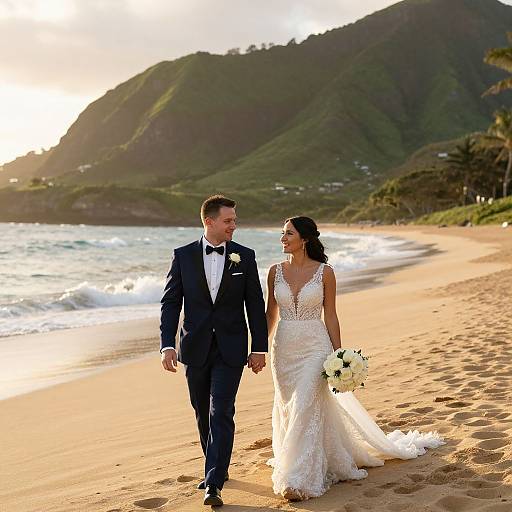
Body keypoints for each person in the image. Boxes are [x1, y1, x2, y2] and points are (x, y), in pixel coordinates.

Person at [265, 216, 444, 501]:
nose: (283, 238)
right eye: (282, 232)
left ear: (305, 239)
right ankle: (300, 456)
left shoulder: (325, 272)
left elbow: (331, 315)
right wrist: (259, 348)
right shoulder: (275, 271)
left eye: (288, 233)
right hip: (283, 349)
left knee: (304, 403)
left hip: (315, 346)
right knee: (289, 405)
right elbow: (270, 314)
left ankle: (298, 477)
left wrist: (340, 355)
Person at [160, 195, 268, 507]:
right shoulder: (182, 256)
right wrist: (168, 344)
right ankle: (216, 464)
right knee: (200, 411)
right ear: (210, 221)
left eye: (234, 220)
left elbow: (255, 305)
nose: (234, 225)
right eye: (228, 220)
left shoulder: (244, 256)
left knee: (221, 409)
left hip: (232, 348)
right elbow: (171, 302)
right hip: (194, 347)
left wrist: (258, 348)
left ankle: (214, 482)